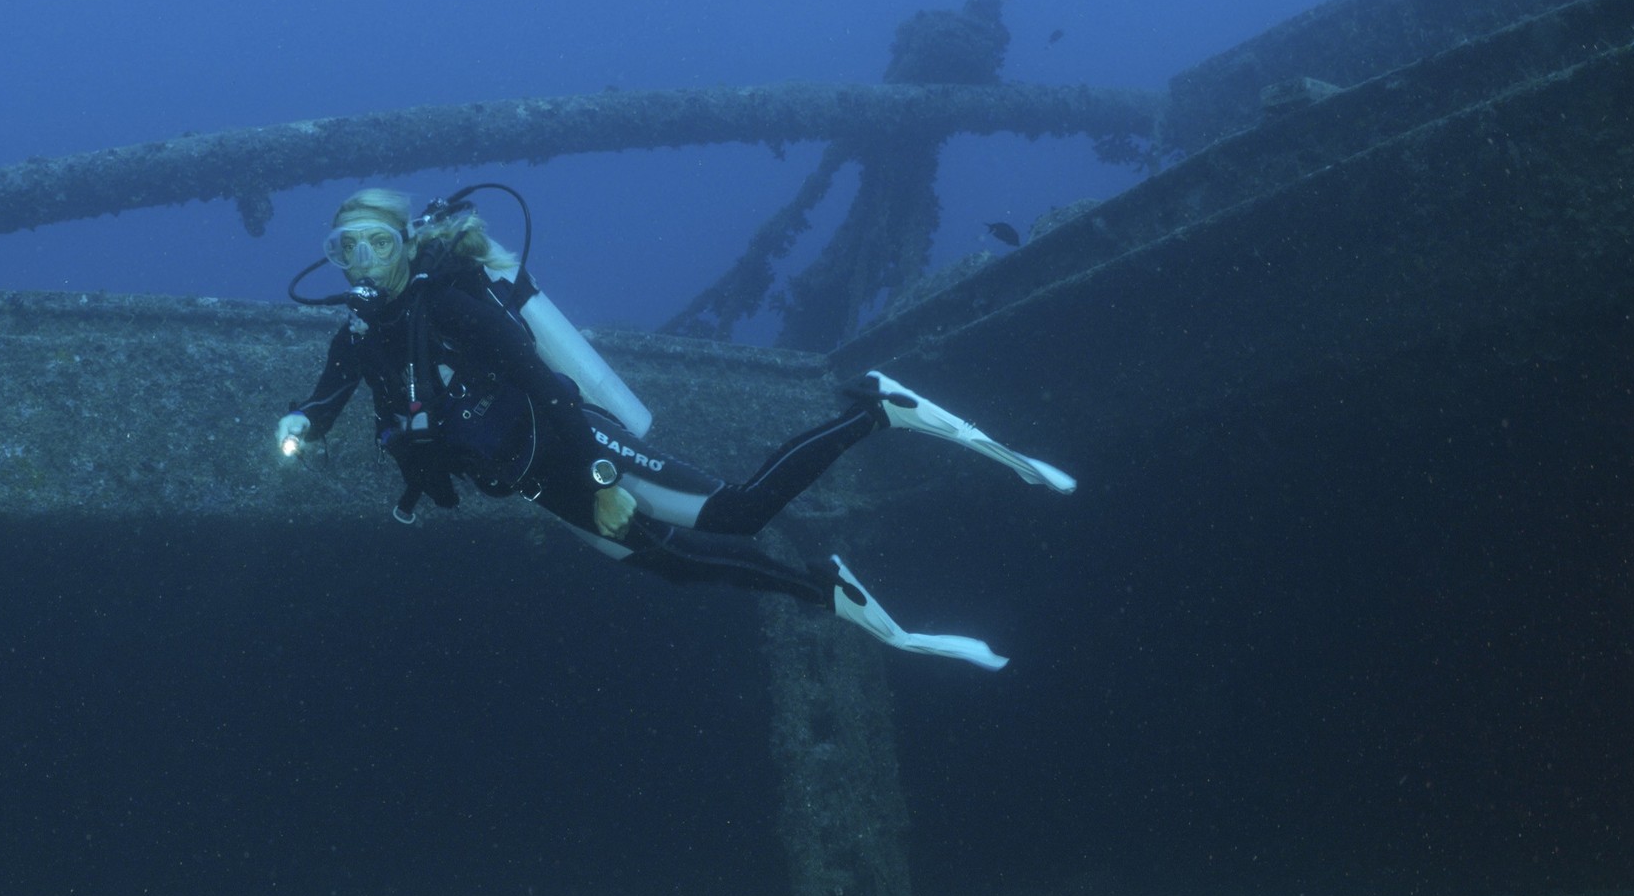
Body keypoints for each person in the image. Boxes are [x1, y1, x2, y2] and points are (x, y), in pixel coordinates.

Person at [271, 187, 1071, 668]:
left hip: (572, 447)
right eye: (344, 245)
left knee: (736, 514)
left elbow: (545, 382)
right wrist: (299, 425)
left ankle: (874, 410)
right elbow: (326, 398)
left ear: (405, 244)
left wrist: (600, 478)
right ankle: (826, 589)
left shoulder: (453, 303)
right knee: (678, 566)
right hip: (532, 480)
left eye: (376, 240)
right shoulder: (359, 335)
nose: (359, 258)